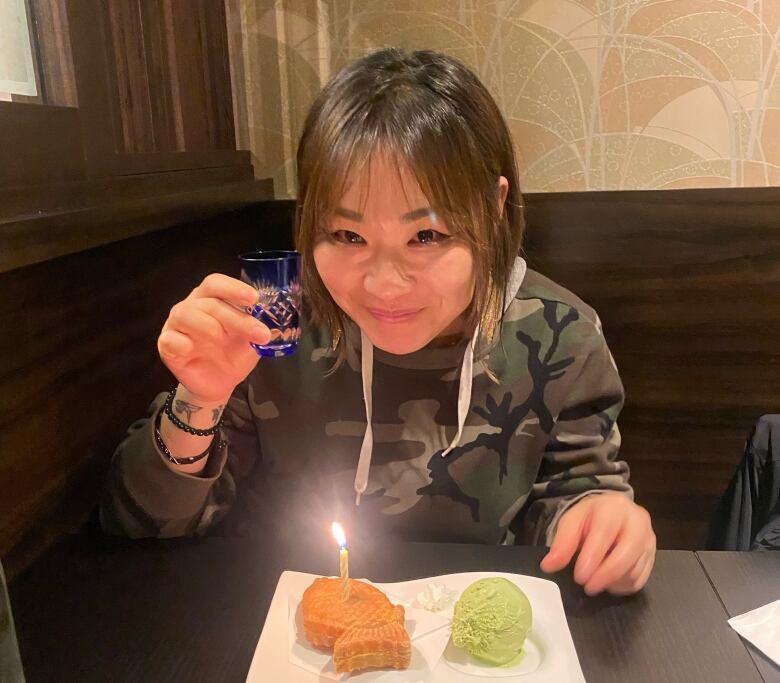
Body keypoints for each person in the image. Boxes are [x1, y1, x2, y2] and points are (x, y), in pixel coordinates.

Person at [101, 48, 655, 596]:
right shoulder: (274, 323)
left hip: (468, 624)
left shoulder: (560, 334)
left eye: (426, 236)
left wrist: (602, 521)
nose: (384, 285)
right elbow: (144, 522)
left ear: (493, 208)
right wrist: (199, 398)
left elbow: (576, 492)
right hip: (287, 621)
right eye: (348, 236)